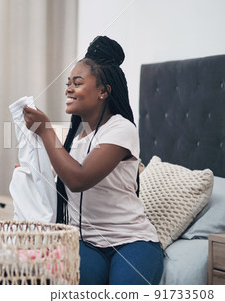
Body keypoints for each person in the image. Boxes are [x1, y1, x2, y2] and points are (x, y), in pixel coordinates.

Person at [22, 36, 163, 285]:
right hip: (86, 243)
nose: (68, 89)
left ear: (103, 91)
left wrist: (45, 130)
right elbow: (65, 182)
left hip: (131, 242)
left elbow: (79, 179)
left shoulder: (121, 129)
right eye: (68, 83)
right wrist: (33, 174)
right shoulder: (75, 138)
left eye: (77, 83)